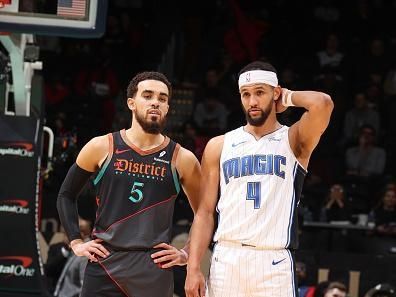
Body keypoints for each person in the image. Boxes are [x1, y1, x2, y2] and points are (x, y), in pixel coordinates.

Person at [185, 60, 333, 297]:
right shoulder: (219, 145)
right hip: (227, 256)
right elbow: (204, 212)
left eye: (260, 93)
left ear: (275, 92)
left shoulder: (294, 139)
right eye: (246, 94)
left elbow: (323, 103)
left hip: (273, 260)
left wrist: (288, 97)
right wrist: (193, 268)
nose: (252, 102)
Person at [56, 71, 201, 297]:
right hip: (104, 263)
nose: (155, 102)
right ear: (131, 103)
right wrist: (76, 242)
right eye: (148, 95)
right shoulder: (101, 146)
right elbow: (66, 194)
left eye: (162, 99)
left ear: (168, 108)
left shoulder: (182, 158)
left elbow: (205, 212)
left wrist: (187, 252)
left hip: (153, 268)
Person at [53, 217, 92, 297]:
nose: (66, 236)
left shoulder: (85, 254)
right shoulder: (76, 249)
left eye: (68, 232)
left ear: (81, 233)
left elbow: (85, 286)